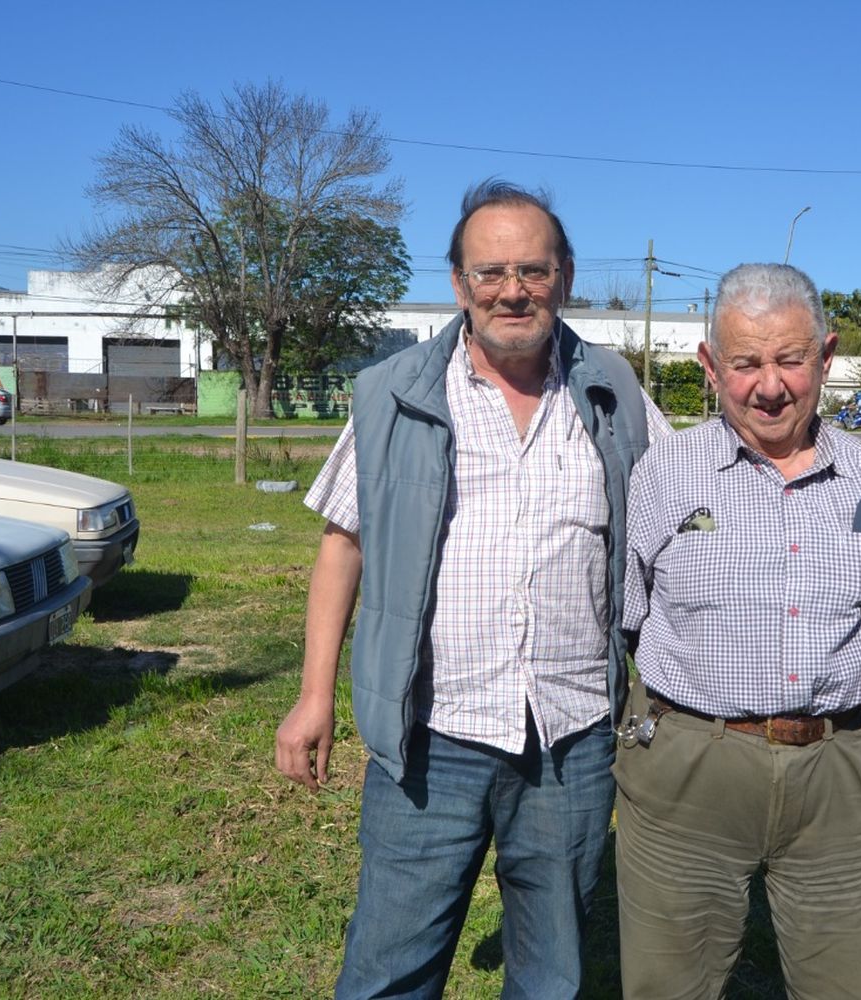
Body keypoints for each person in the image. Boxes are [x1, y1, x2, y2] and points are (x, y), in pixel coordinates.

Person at [274, 179, 670, 999]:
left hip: (572, 734)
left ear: (563, 276)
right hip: (433, 734)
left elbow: (689, 489)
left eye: (532, 269)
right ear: (459, 284)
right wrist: (314, 696)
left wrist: (827, 469)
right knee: (389, 968)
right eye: (489, 272)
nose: (511, 290)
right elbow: (343, 543)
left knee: (553, 975)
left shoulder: (612, 390)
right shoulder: (394, 394)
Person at [615, 262, 861, 999]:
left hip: (844, 778)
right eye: (746, 362)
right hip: (689, 774)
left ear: (824, 357)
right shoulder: (663, 476)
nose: (770, 385)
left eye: (791, 360)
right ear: (710, 367)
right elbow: (626, 620)